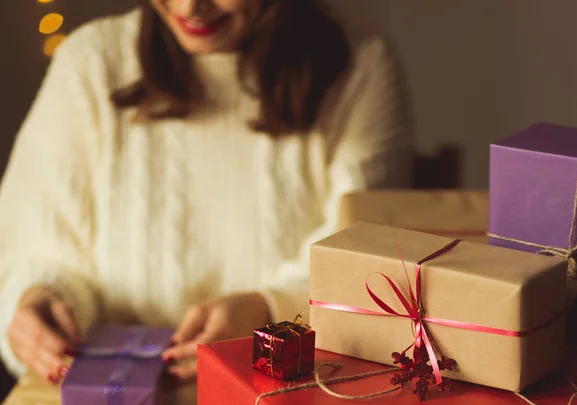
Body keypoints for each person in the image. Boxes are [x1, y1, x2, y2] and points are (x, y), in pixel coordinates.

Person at [0, 0, 411, 386]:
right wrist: (39, 298)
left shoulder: (360, 63)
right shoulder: (89, 60)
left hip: (285, 385)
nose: (189, 7)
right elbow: (34, 247)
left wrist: (268, 311)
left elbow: (366, 263)